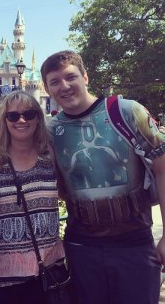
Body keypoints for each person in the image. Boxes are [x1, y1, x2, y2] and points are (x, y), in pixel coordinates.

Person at [41, 50, 165, 304]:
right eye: (55, 81)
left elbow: (163, 168)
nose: (64, 86)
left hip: (134, 244)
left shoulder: (127, 112)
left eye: (70, 77)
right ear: (47, 88)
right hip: (82, 247)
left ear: (85, 77)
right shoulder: (51, 131)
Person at [0, 90, 66, 304]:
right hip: (2, 278)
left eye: (28, 115)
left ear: (38, 118)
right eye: (13, 116)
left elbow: (68, 192)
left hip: (48, 271)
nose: (21, 120)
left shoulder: (49, 154)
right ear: (5, 120)